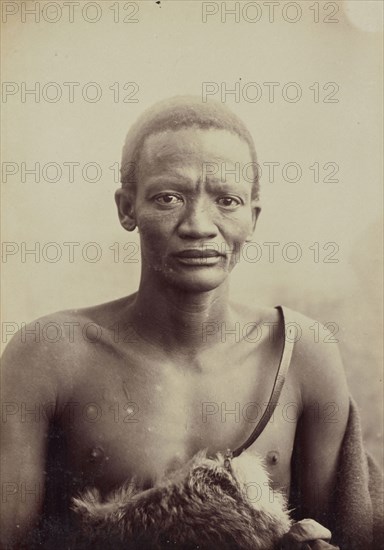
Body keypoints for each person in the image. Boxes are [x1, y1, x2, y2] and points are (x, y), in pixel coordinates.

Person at [0, 97, 379, 549]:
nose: (199, 225)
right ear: (127, 209)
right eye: (168, 197)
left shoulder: (301, 356)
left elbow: (345, 536)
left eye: (227, 200)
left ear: (252, 218)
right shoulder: (49, 354)